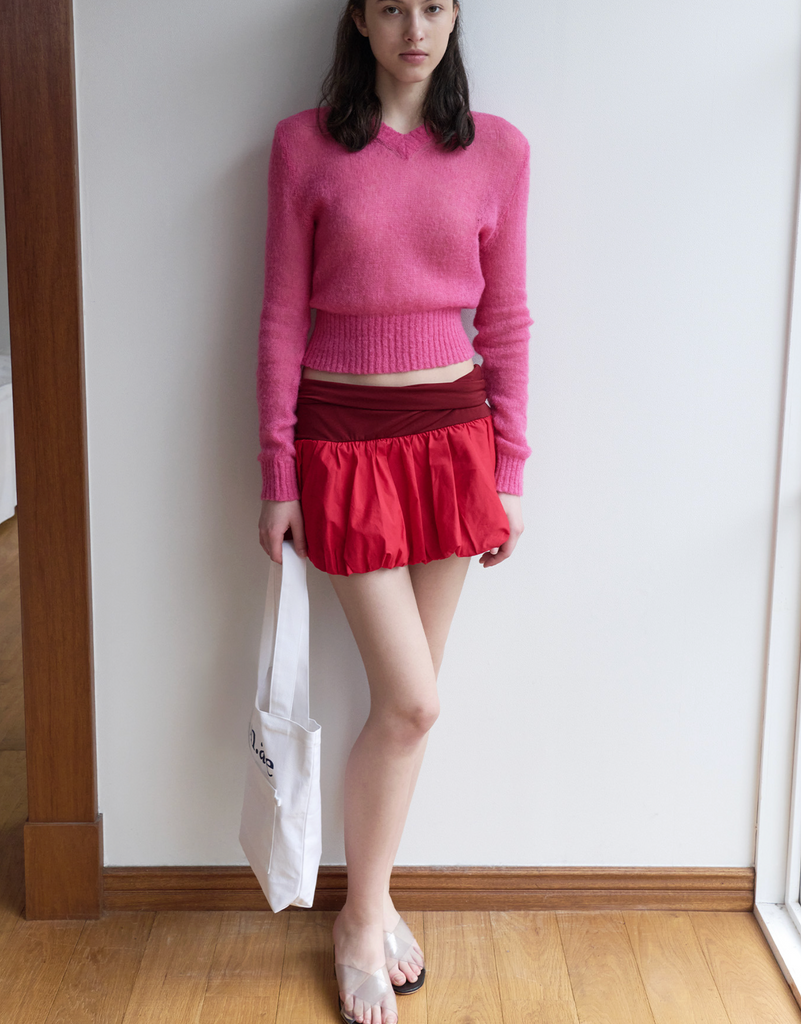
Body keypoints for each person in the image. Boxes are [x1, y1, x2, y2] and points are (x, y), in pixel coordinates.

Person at [256, 2, 532, 1022]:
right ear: (360, 21)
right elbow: (280, 316)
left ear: (454, 17)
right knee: (412, 703)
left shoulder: (499, 151)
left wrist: (511, 471)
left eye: (434, 5)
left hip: (455, 441)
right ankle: (362, 917)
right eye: (392, 8)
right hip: (344, 444)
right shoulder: (303, 147)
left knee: (407, 710)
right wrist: (277, 475)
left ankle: (368, 905)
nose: (414, 27)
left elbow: (506, 318)